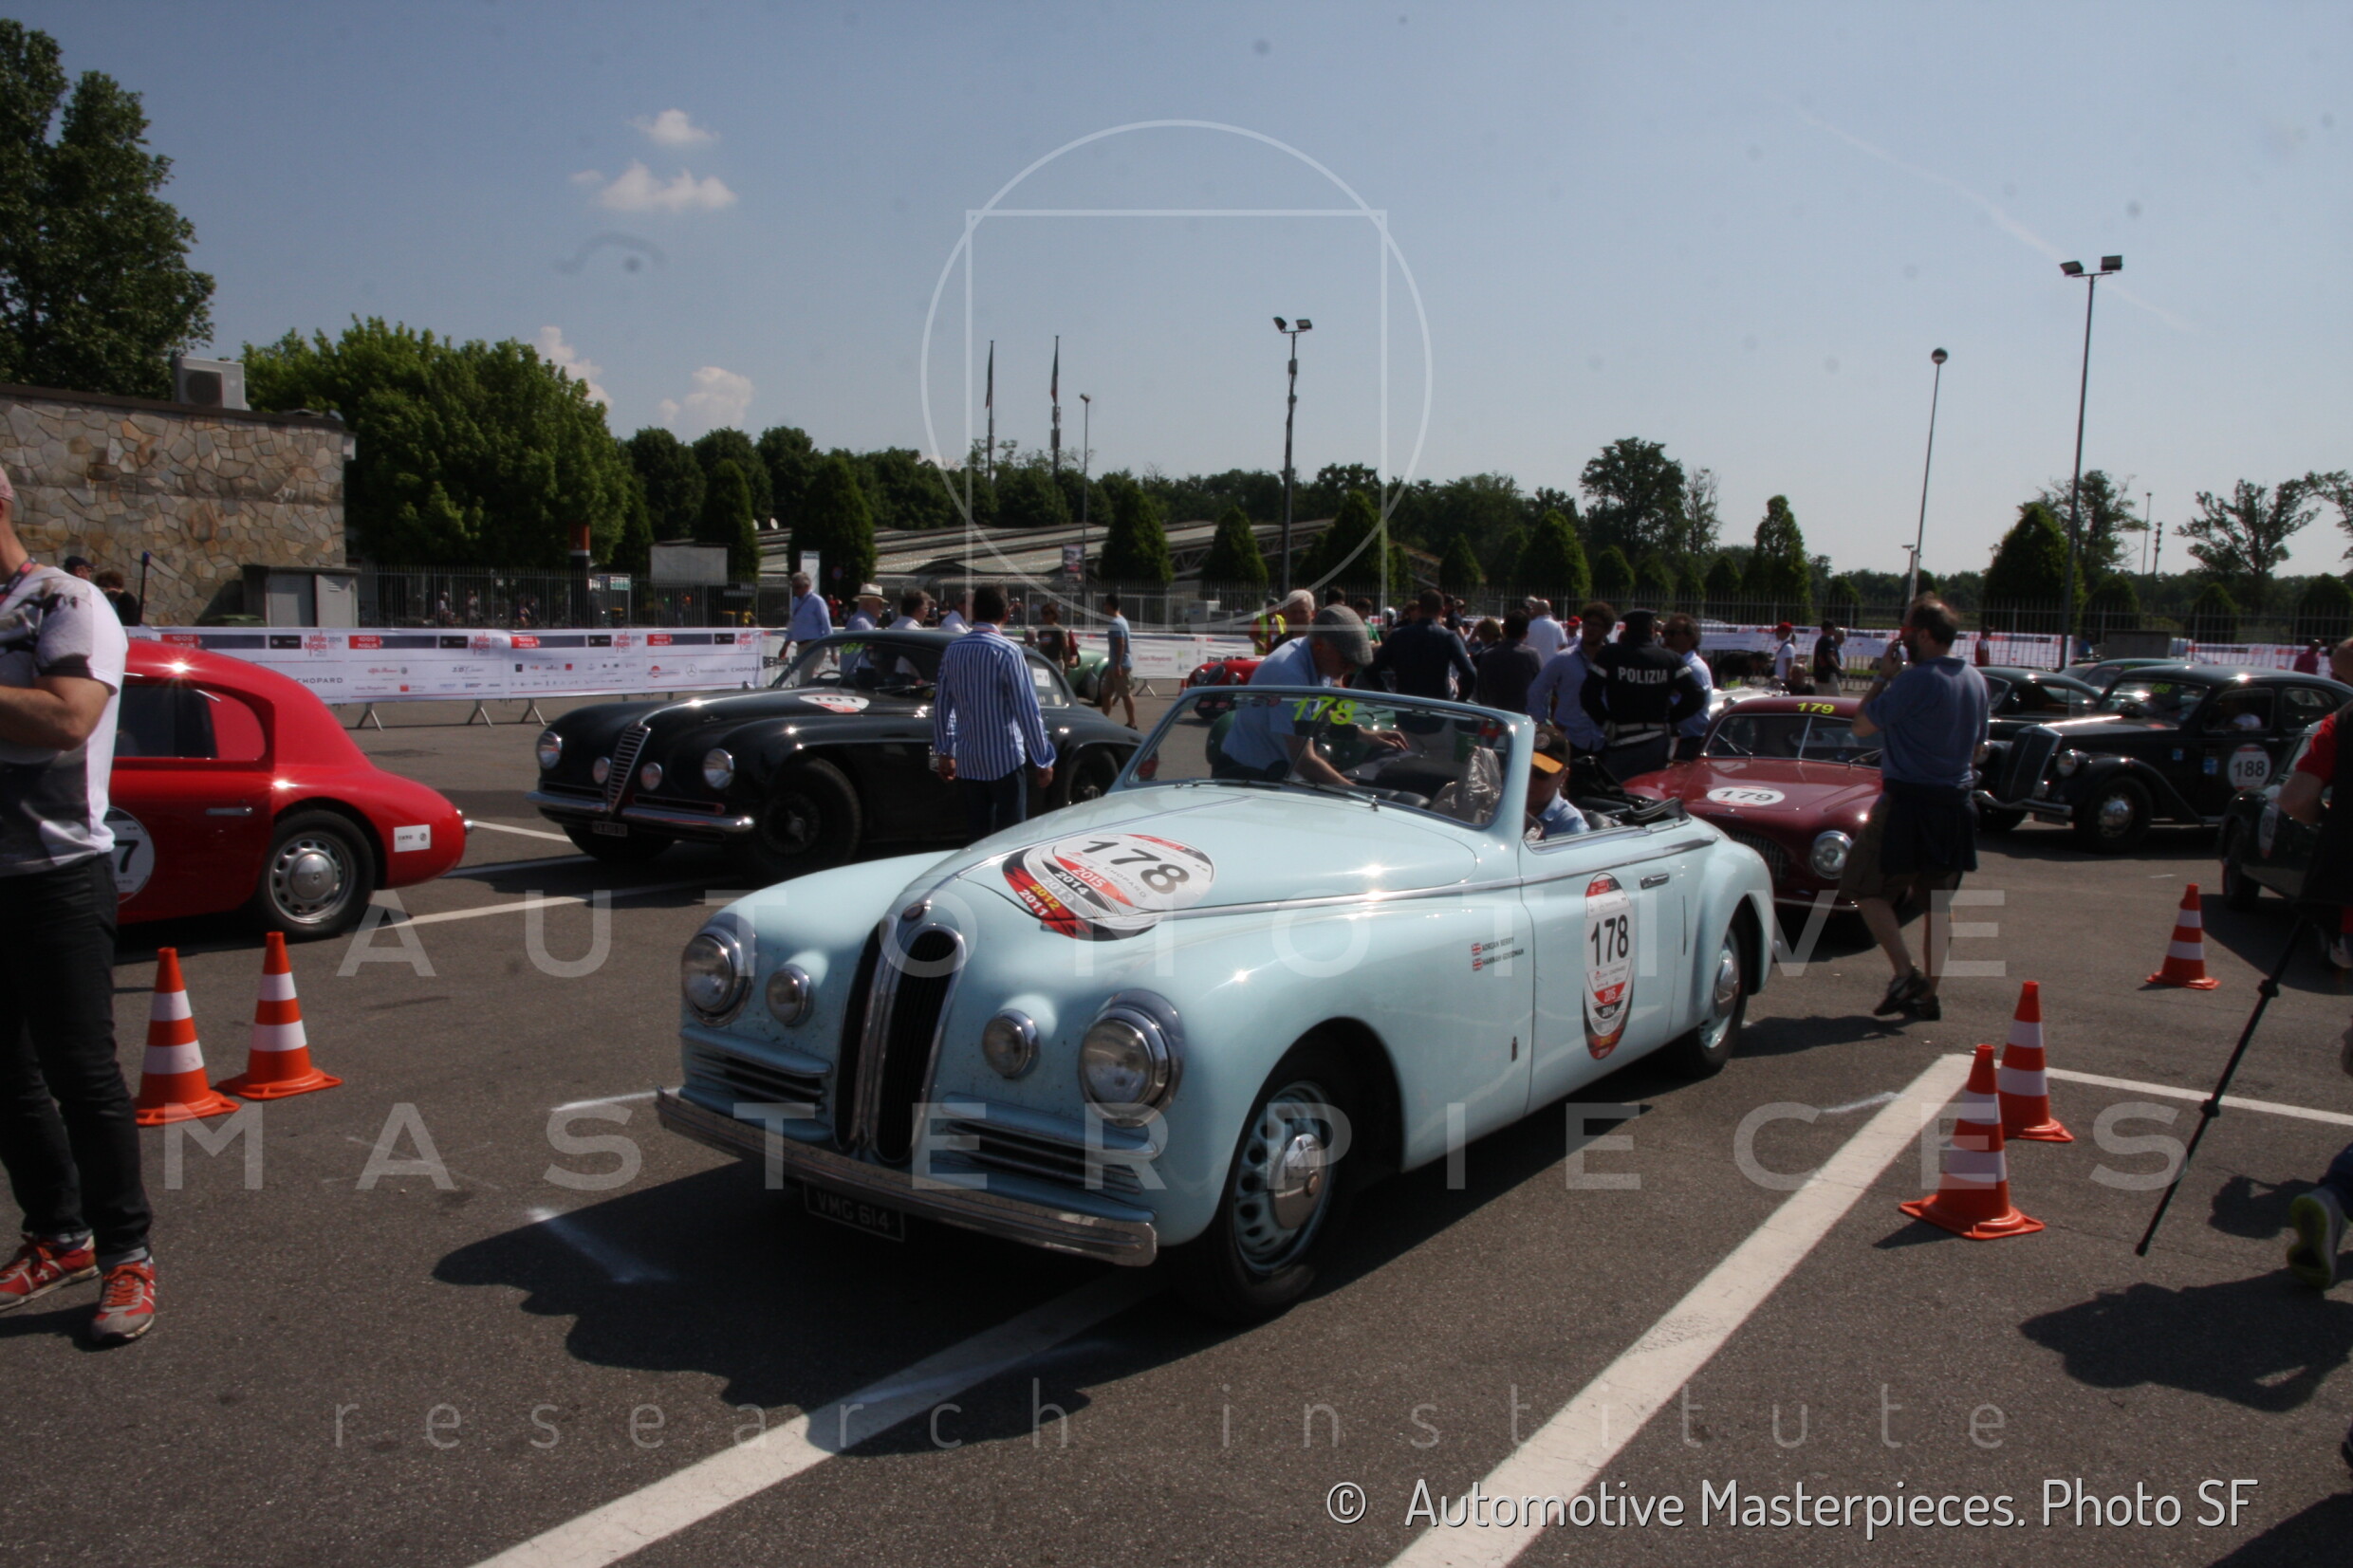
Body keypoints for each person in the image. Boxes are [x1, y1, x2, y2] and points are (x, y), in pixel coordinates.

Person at [0, 461, 155, 1341]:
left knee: (81, 1073)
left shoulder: (64, 602)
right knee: (5, 1074)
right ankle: (57, 1235)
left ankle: (126, 1251)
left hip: (57, 870)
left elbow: (67, 718)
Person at [1843, 596, 1991, 1024]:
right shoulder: (1975, 680)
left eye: (1906, 631)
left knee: (1861, 885)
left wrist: (1882, 679)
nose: (1902, 639)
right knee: (1938, 905)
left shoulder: (1914, 681)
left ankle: (1906, 975)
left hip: (1908, 803)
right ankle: (1929, 996)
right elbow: (1978, 748)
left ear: (1924, 635)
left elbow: (1861, 726)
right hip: (1956, 803)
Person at [1216, 607, 1401, 786]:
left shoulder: (1320, 661)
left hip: (1276, 772)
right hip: (1246, 776)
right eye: (1345, 661)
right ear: (1320, 645)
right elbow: (1303, 761)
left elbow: (1323, 715)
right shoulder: (1289, 675)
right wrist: (1358, 795)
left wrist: (1365, 735)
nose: (1351, 669)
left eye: (1355, 664)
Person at [931, 584, 1054, 840]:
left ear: (974, 612)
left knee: (978, 838)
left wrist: (945, 750)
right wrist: (1043, 758)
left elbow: (943, 704)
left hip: (969, 758)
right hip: (1005, 760)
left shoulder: (953, 650)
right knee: (1010, 838)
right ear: (1007, 614)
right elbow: (1026, 709)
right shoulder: (1008, 651)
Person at [1581, 608, 1706, 779]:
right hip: (1656, 742)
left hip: (1620, 738)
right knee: (1650, 789)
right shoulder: (1669, 659)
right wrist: (1669, 718)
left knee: (1619, 789)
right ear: (1651, 629)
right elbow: (1696, 696)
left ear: (1627, 630)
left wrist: (1605, 721)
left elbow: (1588, 695)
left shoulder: (1609, 655)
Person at [1528, 602, 1612, 759]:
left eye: (1596, 625)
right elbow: (1536, 690)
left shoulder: (1611, 660)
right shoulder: (1564, 659)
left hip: (1602, 739)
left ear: (1607, 630)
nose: (1590, 628)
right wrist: (1543, 725)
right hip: (1569, 739)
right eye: (1587, 623)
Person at [1369, 589, 1478, 700]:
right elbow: (1470, 673)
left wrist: (1387, 694)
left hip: (1406, 701)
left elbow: (1371, 669)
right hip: (1437, 703)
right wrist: (1459, 701)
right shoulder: (1448, 637)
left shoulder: (1398, 635)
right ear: (1442, 610)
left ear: (1419, 609)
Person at [1523, 725, 1591, 840]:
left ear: (1563, 777)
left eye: (1540, 774)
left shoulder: (1570, 825)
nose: (1529, 780)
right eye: (1523, 770)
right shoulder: (1497, 808)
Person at [1662, 613, 1714, 760]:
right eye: (1665, 633)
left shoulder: (1694, 668)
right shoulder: (1671, 664)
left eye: (1673, 633)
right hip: (1674, 738)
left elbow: (1684, 703)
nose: (1667, 638)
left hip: (1689, 740)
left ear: (1691, 638)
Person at [1474, 610, 1543, 715]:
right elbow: (1540, 689)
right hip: (1521, 717)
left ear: (1503, 629)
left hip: (1493, 716)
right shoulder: (1531, 656)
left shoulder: (1487, 656)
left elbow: (1480, 692)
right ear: (1526, 634)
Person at [1097, 593, 1137, 729]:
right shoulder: (1121, 620)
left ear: (1110, 605)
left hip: (1120, 665)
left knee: (1125, 694)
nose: (1104, 607)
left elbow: (1121, 644)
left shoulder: (1116, 623)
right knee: (1105, 693)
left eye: (1105, 604)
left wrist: (1118, 665)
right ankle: (1104, 720)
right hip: (1114, 665)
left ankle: (1132, 723)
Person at [786, 572, 832, 655]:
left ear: (807, 586)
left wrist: (833, 651)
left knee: (808, 665)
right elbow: (792, 625)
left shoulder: (817, 601)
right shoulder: (795, 601)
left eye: (798, 587)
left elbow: (826, 625)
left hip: (815, 646)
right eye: (793, 587)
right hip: (800, 646)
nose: (795, 590)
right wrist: (785, 646)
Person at [1030, 600, 1076, 675]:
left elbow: (1066, 648)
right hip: (1044, 663)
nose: (1044, 616)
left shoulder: (1059, 630)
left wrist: (1066, 666)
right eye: (1042, 613)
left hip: (1056, 663)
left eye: (1046, 613)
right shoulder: (1042, 630)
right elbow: (1041, 647)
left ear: (1053, 614)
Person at [1524, 599, 1569, 663]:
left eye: (1534, 609)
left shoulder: (1529, 626)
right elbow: (1563, 645)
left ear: (1538, 610)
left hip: (1533, 663)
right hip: (1550, 664)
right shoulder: (1557, 626)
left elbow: (1523, 644)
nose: (1532, 611)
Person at [1812, 619, 1845, 694]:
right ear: (1828, 629)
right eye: (1833, 628)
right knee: (1835, 697)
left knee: (1820, 697)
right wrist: (1839, 667)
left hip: (1819, 674)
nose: (1834, 630)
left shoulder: (1820, 640)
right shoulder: (1829, 640)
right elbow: (1830, 657)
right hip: (1828, 674)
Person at [1770, 621, 1801, 689]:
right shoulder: (1784, 646)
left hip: (1783, 679)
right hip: (1779, 678)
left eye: (1778, 632)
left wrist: (1787, 681)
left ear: (1784, 633)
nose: (1776, 634)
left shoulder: (1788, 647)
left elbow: (1788, 666)